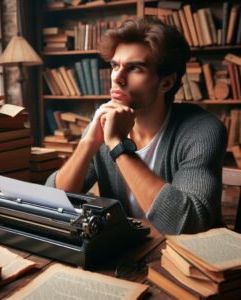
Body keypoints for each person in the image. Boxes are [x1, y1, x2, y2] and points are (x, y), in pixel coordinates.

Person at [46, 18, 227, 235]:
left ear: (166, 82)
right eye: (115, 65)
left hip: (190, 260)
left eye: (135, 68)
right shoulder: (106, 123)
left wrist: (117, 145)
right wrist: (88, 143)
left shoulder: (203, 130)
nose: (117, 78)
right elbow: (52, 204)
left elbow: (187, 223)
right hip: (131, 253)